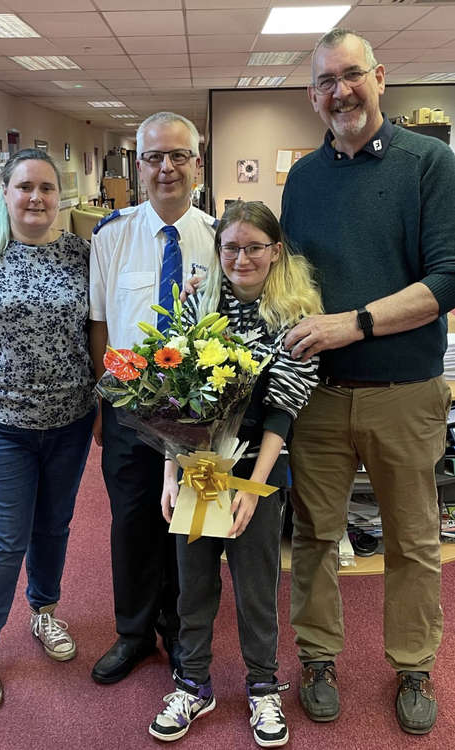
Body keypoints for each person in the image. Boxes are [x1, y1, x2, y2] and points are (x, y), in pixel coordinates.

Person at [280, 28, 455, 735]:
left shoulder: (430, 164)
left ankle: (413, 665)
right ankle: (318, 657)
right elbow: (292, 282)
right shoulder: (303, 178)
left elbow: (445, 280)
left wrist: (353, 322)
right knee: (315, 535)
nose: (339, 92)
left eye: (351, 75)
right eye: (325, 81)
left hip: (403, 393)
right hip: (317, 396)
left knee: (412, 541)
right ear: (311, 94)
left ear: (379, 77)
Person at [149, 201, 322, 746]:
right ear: (218, 249)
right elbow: (175, 399)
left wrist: (255, 488)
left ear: (275, 251)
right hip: (201, 462)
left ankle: (263, 687)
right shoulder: (199, 304)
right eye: (231, 247)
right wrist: (170, 473)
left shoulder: (296, 316)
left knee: (255, 583)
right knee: (195, 581)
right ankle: (193, 683)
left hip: (257, 465)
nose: (241, 258)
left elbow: (282, 409)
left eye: (254, 247)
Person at [0, 148, 96, 709]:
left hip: (70, 418)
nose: (36, 198)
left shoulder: (81, 254)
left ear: (61, 198)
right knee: (6, 538)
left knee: (54, 527)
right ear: (4, 194)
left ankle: (44, 611)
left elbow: (94, 329)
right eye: (24, 187)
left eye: (47, 189)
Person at [89, 112, 216, 684]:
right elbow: (99, 325)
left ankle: (186, 634)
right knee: (134, 520)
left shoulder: (220, 239)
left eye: (178, 156)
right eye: (153, 157)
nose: (166, 167)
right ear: (138, 166)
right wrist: (103, 403)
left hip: (199, 414)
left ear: (197, 163)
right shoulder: (111, 235)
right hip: (128, 409)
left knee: (192, 522)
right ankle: (134, 633)